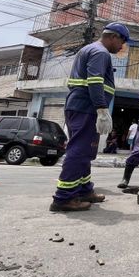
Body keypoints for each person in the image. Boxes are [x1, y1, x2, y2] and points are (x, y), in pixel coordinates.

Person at [49, 22, 130, 212]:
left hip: (81, 106)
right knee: (78, 150)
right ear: (113, 37)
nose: (121, 48)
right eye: (122, 42)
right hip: (86, 107)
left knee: (86, 151)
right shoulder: (100, 53)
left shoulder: (90, 49)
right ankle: (63, 198)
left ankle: (85, 190)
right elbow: (95, 81)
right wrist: (102, 109)